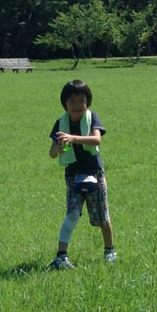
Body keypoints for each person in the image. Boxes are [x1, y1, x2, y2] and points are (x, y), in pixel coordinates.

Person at [48, 79, 116, 270]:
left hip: (94, 174)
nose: (77, 106)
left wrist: (73, 138)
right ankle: (61, 257)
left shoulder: (92, 118)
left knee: (102, 217)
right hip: (73, 176)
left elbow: (96, 140)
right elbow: (52, 153)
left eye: (81, 101)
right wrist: (57, 148)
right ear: (65, 103)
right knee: (72, 214)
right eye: (72, 101)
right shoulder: (60, 123)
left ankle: (109, 251)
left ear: (88, 102)